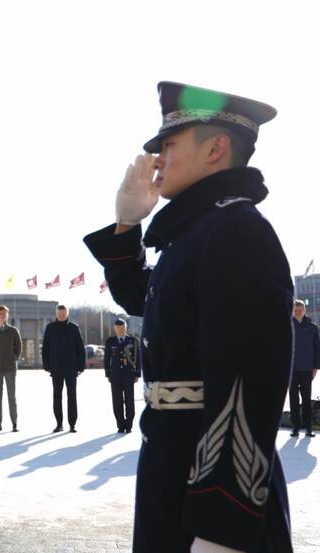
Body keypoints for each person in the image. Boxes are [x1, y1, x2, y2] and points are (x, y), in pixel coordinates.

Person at [84, 82, 293, 553]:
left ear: (216, 148)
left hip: (213, 493)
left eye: (170, 145)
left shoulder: (237, 229)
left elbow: (247, 387)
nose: (157, 158)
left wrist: (222, 527)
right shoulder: (199, 232)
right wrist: (126, 226)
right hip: (174, 470)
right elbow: (146, 299)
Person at [41, 305, 85, 432]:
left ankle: (72, 424)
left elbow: (80, 349)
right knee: (57, 396)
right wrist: (47, 366)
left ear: (67, 314)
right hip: (56, 368)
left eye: (63, 314)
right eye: (59, 314)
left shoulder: (74, 328)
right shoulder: (50, 328)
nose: (61, 316)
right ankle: (59, 424)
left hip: (72, 368)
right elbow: (45, 348)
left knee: (72, 396)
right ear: (56, 314)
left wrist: (81, 367)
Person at [104, 318, 140, 433]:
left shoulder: (133, 341)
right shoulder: (110, 341)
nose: (120, 330)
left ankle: (129, 425)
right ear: (114, 328)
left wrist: (137, 373)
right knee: (117, 400)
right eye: (118, 328)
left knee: (129, 400)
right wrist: (108, 373)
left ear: (126, 328)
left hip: (129, 375)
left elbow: (138, 358)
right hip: (115, 375)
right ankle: (120, 424)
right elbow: (106, 358)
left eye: (122, 328)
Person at [290, 299, 319, 437]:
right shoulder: (287, 326)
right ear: (293, 311)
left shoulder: (313, 328)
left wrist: (316, 367)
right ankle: (295, 427)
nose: (298, 312)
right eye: (295, 309)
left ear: (304, 311)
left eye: (300, 309)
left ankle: (308, 428)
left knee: (306, 399)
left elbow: (317, 348)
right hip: (291, 370)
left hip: (307, 368)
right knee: (293, 400)